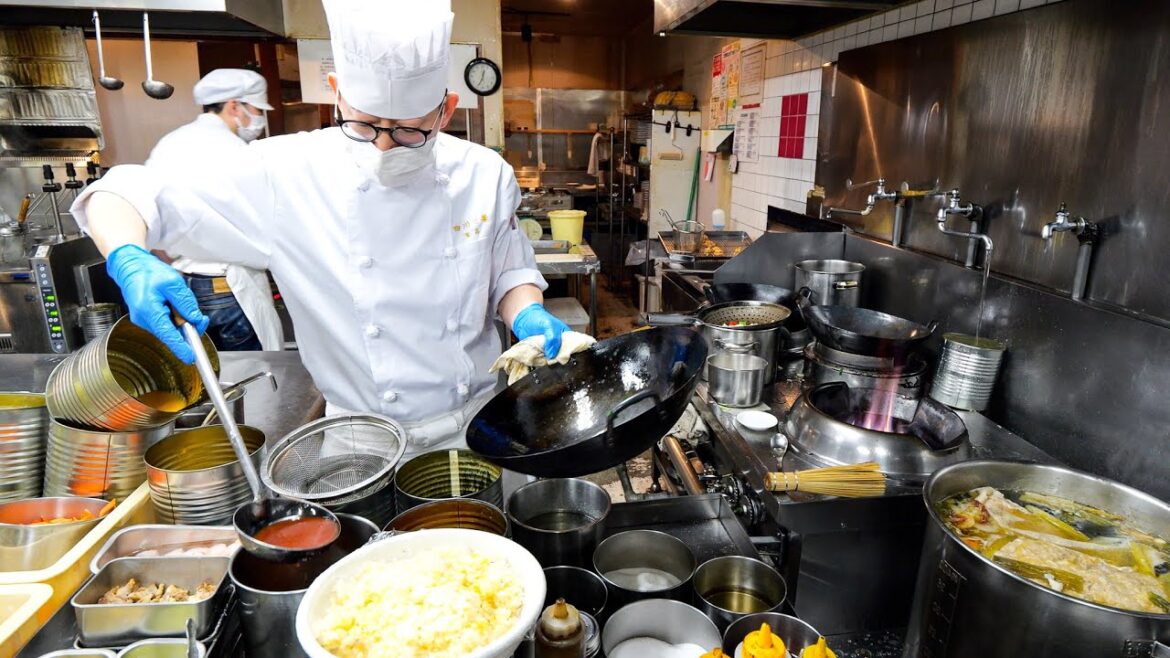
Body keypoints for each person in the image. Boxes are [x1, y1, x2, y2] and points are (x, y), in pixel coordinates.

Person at [71, 0, 573, 458]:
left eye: (408, 130)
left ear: (446, 109)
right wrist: (127, 256)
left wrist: (527, 311)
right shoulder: (283, 173)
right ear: (337, 94)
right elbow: (128, 191)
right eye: (365, 125)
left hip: (478, 427)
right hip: (364, 440)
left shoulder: (485, 173)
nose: (384, 148)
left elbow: (508, 268)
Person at [145, 68, 284, 352]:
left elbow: (151, 212)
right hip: (231, 286)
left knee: (213, 374)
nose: (258, 118)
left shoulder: (170, 144)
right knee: (254, 376)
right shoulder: (237, 152)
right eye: (257, 109)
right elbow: (273, 219)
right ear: (235, 105)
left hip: (186, 284)